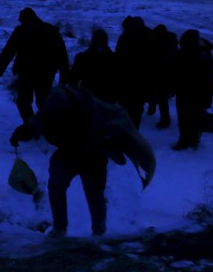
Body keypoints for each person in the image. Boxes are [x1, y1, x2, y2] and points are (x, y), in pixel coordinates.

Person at [9, 85, 156, 237]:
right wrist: (20, 133)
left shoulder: (96, 108)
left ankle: (99, 232)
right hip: (67, 153)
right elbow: (36, 123)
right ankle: (60, 229)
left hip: (92, 155)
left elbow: (119, 122)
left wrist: (105, 141)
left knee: (94, 194)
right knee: (56, 187)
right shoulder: (51, 106)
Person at [0, 7, 69, 123]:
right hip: (32, 73)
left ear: (31, 19)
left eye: (24, 22)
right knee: (27, 102)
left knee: (37, 101)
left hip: (41, 73)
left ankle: (42, 126)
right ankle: (33, 125)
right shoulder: (26, 31)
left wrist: (64, 75)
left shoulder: (46, 31)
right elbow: (8, 53)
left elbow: (61, 53)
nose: (23, 24)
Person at [173, 29, 213, 150]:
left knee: (186, 117)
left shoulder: (185, 54)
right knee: (192, 116)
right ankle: (191, 139)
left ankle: (186, 139)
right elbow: (209, 76)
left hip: (188, 91)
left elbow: (208, 76)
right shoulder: (202, 54)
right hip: (193, 92)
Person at [115, 16, 154, 129]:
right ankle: (132, 132)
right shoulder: (149, 37)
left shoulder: (125, 38)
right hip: (139, 83)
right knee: (136, 110)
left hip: (129, 81)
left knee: (128, 109)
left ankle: (128, 131)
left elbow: (118, 60)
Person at [69, 27, 118, 104]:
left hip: (102, 99)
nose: (98, 45)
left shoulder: (82, 57)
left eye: (100, 42)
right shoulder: (83, 58)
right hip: (92, 99)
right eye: (97, 42)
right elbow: (74, 79)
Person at [147, 24, 178, 129]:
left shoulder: (165, 44)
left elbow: (163, 60)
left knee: (161, 97)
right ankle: (155, 110)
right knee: (158, 96)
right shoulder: (171, 43)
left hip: (163, 76)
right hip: (162, 75)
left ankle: (164, 118)